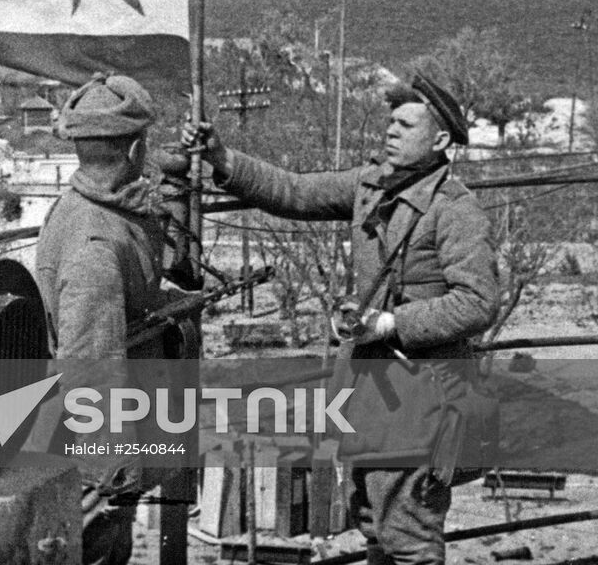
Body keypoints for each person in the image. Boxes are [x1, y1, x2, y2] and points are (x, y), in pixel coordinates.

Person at [185, 74, 499, 565]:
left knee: (410, 538)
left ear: (439, 141)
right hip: (371, 395)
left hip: (423, 399)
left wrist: (390, 324)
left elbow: (478, 302)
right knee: (373, 523)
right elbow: (293, 192)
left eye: (406, 124)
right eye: (390, 122)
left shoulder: (454, 211)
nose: (391, 131)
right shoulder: (372, 184)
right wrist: (222, 158)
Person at [36, 72, 175, 565]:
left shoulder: (89, 209)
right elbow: (90, 373)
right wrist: (115, 475)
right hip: (97, 459)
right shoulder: (96, 244)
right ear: (136, 151)